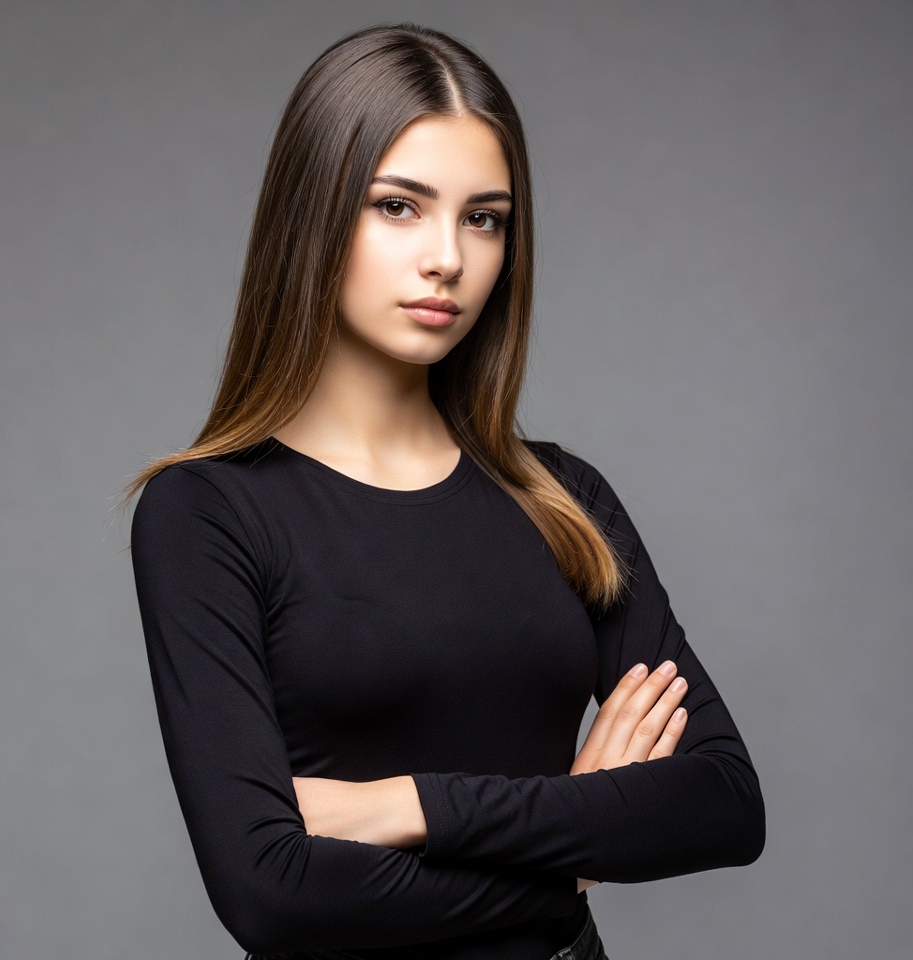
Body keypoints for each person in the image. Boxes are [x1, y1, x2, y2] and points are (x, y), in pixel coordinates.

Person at [128, 22, 765, 960]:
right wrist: (576, 846)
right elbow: (271, 895)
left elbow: (722, 805)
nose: (448, 259)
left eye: (484, 217)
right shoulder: (208, 514)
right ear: (315, 213)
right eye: (399, 206)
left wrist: (407, 805)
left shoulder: (564, 498)